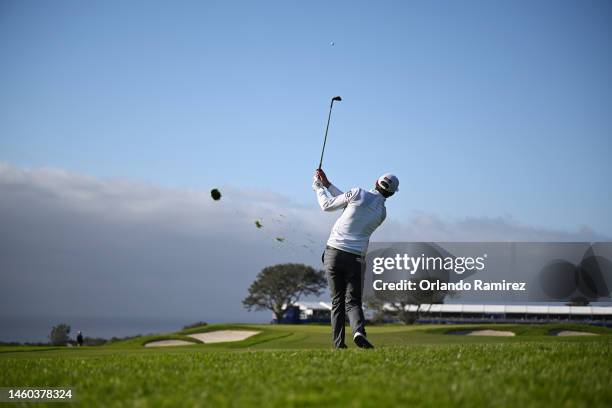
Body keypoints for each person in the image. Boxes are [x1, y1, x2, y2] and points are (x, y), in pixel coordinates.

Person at [312, 169, 399, 349]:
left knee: (337, 302)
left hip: (334, 254)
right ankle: (358, 331)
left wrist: (318, 188)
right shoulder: (382, 213)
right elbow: (349, 204)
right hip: (356, 260)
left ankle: (339, 345)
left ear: (376, 182)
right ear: (391, 194)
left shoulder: (358, 192)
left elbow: (328, 205)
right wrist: (327, 184)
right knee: (352, 301)